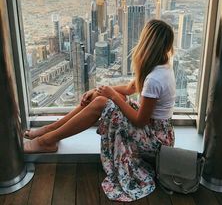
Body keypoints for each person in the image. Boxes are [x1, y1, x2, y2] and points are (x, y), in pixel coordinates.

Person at [24, 19, 176, 202]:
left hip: (156, 139)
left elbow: (139, 121)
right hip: (153, 128)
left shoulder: (155, 78)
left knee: (101, 103)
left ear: (147, 43)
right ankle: (49, 131)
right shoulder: (160, 65)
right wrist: (97, 90)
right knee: (98, 98)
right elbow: (129, 90)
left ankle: (47, 140)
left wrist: (111, 95)